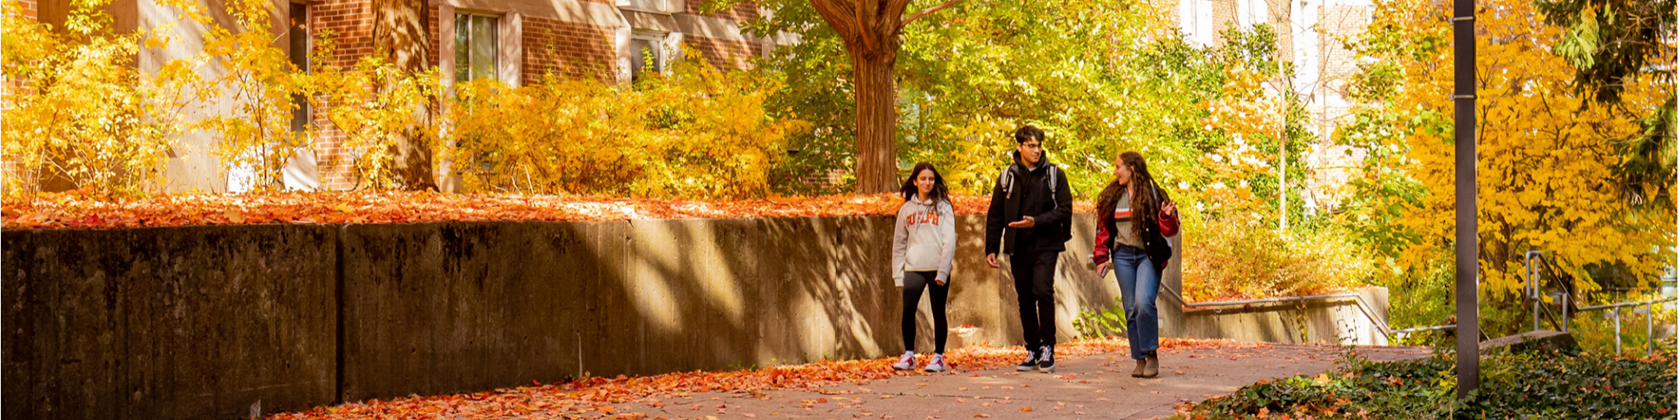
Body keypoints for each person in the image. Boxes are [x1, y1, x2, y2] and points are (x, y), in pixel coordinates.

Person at [984, 125, 1074, 373]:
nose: (1036, 150)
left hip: (1046, 244)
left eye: (1039, 146)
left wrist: (1037, 221)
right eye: (1031, 145)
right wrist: (991, 247)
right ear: (1020, 147)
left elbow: (1065, 209)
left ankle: (1048, 347)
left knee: (1043, 290)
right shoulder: (1007, 177)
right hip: (1018, 246)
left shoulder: (1054, 175)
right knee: (1025, 297)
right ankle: (1033, 349)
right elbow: (995, 214)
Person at [1092, 151, 1179, 379]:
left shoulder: (1152, 193)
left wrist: (1166, 216)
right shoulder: (1113, 196)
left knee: (1143, 303)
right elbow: (1103, 231)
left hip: (1147, 257)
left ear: (1131, 169)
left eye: (1118, 166)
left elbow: (1170, 230)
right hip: (1122, 257)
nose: (1114, 171)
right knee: (1130, 308)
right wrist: (1101, 258)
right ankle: (1139, 358)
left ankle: (1152, 354)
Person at [891, 162, 958, 372]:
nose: (927, 183)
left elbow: (949, 241)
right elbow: (899, 242)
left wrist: (943, 271)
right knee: (908, 310)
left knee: (938, 312)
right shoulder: (906, 209)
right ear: (915, 181)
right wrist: (898, 273)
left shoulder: (944, 206)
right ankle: (909, 355)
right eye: (923, 179)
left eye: (931, 179)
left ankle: (938, 357)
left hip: (937, 267)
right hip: (914, 268)